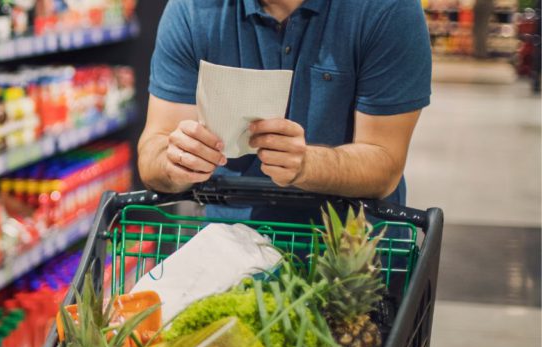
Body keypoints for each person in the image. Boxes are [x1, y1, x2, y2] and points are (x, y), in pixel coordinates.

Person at [137, 0, 432, 221]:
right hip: (226, 255)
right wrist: (175, 163)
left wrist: (307, 164)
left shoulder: (387, 9)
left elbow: (385, 163)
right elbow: (153, 153)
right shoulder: (193, 9)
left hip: (353, 260)